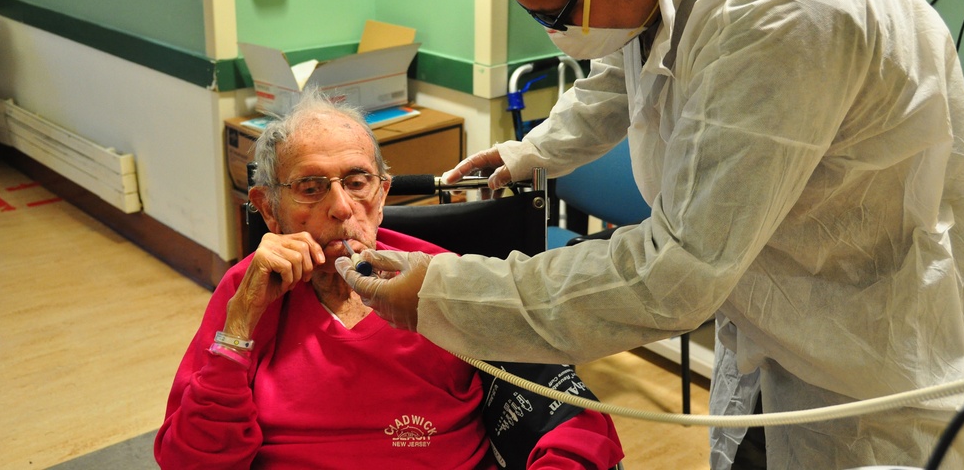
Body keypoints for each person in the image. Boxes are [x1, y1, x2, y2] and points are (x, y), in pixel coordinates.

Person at [337, 0, 964, 470]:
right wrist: (531, 152)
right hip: (769, 300)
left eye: (553, 17)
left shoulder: (779, 14)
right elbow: (631, 68)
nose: (556, 35)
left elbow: (672, 277)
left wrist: (447, 295)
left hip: (865, 346)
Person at [154, 89, 623, 469]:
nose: (340, 207)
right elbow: (190, 460)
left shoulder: (443, 277)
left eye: (357, 182)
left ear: (382, 195)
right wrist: (237, 331)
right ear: (268, 209)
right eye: (310, 188)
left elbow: (571, 419)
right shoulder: (248, 293)